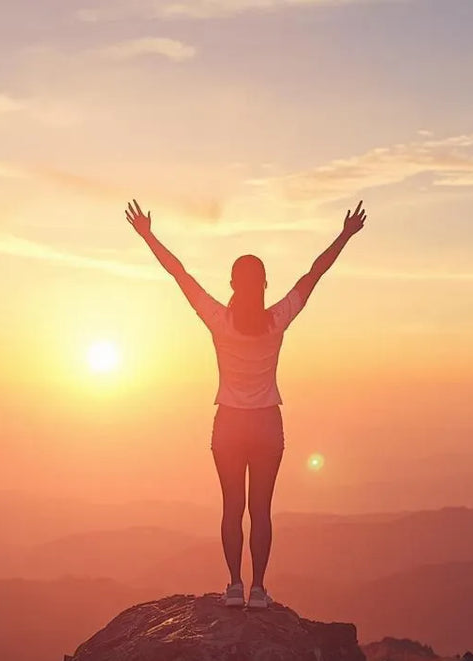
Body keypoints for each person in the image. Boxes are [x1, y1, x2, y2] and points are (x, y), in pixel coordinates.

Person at [125, 199, 367, 609]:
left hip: (230, 426)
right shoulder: (278, 319)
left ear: (234, 284)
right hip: (267, 424)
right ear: (265, 284)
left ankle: (234, 586)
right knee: (261, 510)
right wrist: (344, 235)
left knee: (232, 507)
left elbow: (179, 274)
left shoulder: (219, 320)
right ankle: (258, 590)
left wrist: (148, 235)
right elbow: (313, 275)